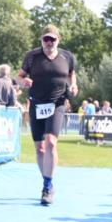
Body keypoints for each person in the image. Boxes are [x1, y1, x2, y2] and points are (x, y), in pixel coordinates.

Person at [18, 24, 78, 205]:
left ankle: (47, 186)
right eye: (46, 39)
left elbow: (71, 74)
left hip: (57, 103)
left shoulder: (67, 56)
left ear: (58, 40)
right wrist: (23, 81)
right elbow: (19, 77)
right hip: (36, 104)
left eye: (52, 39)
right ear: (41, 40)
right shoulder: (32, 56)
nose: (49, 42)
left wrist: (73, 85)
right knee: (40, 148)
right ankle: (46, 180)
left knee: (50, 142)